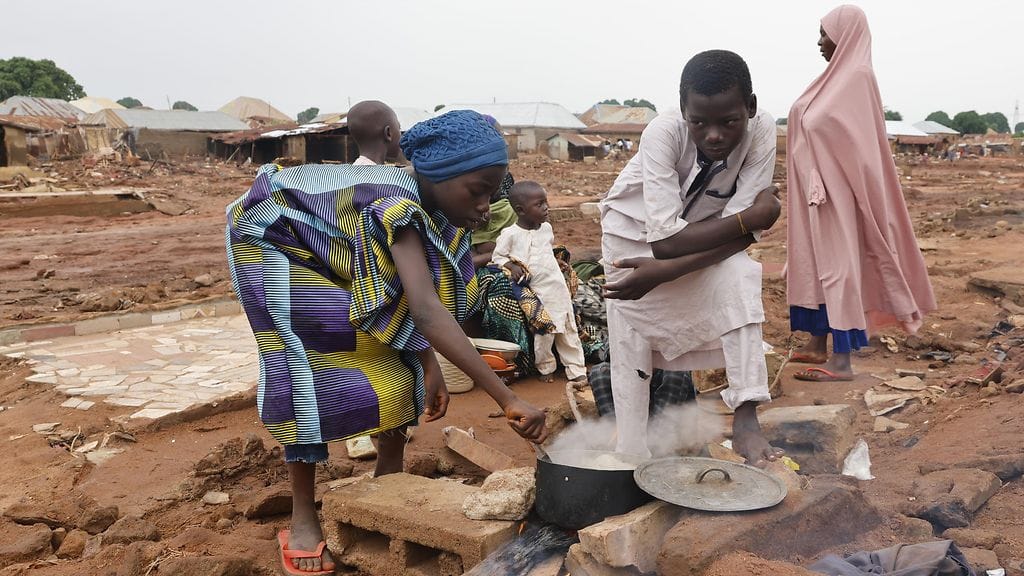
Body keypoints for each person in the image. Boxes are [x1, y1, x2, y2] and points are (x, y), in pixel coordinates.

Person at [226, 109, 547, 575]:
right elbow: (424, 310)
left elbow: (417, 303)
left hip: (334, 250)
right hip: (271, 240)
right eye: (477, 192)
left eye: (493, 194)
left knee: (396, 361)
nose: (485, 207)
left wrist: (429, 364)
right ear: (438, 174)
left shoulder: (439, 213)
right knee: (310, 356)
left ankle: (388, 478)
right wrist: (508, 397)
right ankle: (302, 515)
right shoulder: (395, 202)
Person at [599, 50, 784, 466]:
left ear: (750, 109)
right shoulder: (662, 133)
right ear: (683, 110)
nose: (714, 135)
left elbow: (744, 233)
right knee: (630, 345)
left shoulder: (763, 130)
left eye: (728, 122)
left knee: (741, 273)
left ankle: (747, 414)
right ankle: (630, 451)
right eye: (698, 122)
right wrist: (750, 219)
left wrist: (666, 271)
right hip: (630, 242)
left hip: (700, 243)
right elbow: (665, 239)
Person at [786, 5, 936, 382]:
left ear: (847, 33)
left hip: (844, 201)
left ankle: (842, 363)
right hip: (817, 199)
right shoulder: (829, 80)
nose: (819, 42)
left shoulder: (857, 78)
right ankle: (817, 342)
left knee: (840, 271)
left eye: (825, 33)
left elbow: (864, 153)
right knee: (815, 266)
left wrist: (861, 200)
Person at [492, 181, 588, 386]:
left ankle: (576, 369)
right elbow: (498, 257)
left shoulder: (546, 229)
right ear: (520, 210)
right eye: (539, 204)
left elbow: (545, 252)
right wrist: (511, 265)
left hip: (558, 290)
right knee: (544, 333)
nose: (546, 208)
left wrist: (557, 261)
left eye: (546, 202)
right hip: (538, 293)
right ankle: (546, 367)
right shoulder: (510, 235)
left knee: (569, 330)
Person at [347, 100, 401, 166]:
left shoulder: (351, 171)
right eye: (399, 128)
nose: (402, 136)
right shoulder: (384, 175)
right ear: (388, 133)